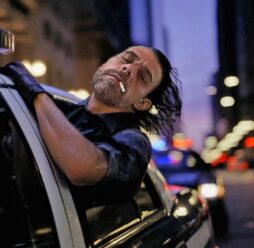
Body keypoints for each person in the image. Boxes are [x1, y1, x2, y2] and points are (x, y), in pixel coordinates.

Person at [0, 45, 182, 206]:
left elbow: (82, 167)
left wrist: (34, 92)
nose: (127, 68)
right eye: (126, 58)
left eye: (142, 76)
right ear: (106, 63)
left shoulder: (134, 142)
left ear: (142, 103)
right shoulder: (58, 109)